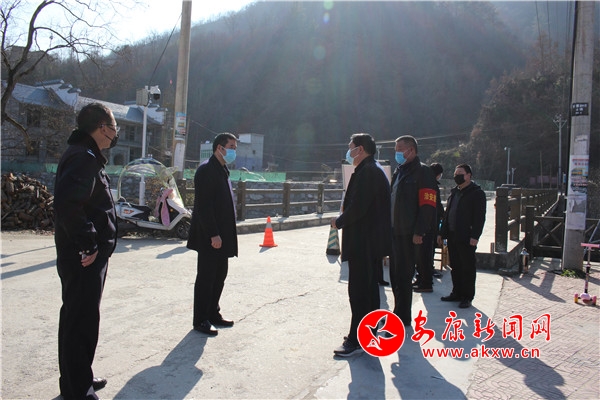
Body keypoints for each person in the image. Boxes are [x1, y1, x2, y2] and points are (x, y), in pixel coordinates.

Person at [54, 103, 118, 399]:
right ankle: (78, 389)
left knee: (79, 317)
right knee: (80, 322)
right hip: (84, 257)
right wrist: (88, 242)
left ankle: (79, 377)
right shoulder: (83, 157)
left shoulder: (85, 154)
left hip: (86, 256)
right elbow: (68, 204)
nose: (115, 132)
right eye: (114, 126)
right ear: (102, 127)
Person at [331, 133, 392, 357]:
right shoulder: (372, 170)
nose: (349, 152)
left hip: (363, 242)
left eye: (351, 147)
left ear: (361, 149)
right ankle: (370, 334)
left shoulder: (368, 173)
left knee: (359, 293)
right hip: (370, 242)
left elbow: (358, 207)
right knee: (369, 290)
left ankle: (356, 340)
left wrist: (339, 221)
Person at [187, 132, 239, 336]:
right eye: (231, 147)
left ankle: (213, 313)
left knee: (219, 276)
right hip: (211, 236)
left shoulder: (222, 169)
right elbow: (204, 206)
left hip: (222, 235)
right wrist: (213, 234)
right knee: (206, 278)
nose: (234, 151)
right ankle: (200, 319)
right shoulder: (206, 170)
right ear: (219, 148)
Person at [390, 135, 437, 326]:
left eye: (400, 149)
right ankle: (397, 312)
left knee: (404, 276)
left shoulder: (423, 172)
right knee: (394, 276)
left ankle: (402, 318)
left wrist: (420, 231)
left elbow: (428, 204)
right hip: (394, 232)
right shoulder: (399, 171)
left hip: (409, 234)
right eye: (396, 149)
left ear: (411, 150)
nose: (397, 153)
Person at [438, 164, 486, 309]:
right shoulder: (454, 192)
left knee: (467, 267)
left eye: (460, 173)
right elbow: (448, 214)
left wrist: (475, 236)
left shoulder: (476, 193)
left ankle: (467, 296)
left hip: (466, 236)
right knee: (455, 266)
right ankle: (456, 292)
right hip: (452, 235)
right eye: (455, 173)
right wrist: (442, 233)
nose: (457, 176)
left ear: (469, 175)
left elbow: (479, 217)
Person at [430, 163, 445, 279]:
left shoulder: (423, 182)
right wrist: (442, 215)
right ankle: (429, 268)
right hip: (432, 220)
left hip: (426, 220)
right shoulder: (433, 186)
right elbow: (437, 204)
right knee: (430, 246)